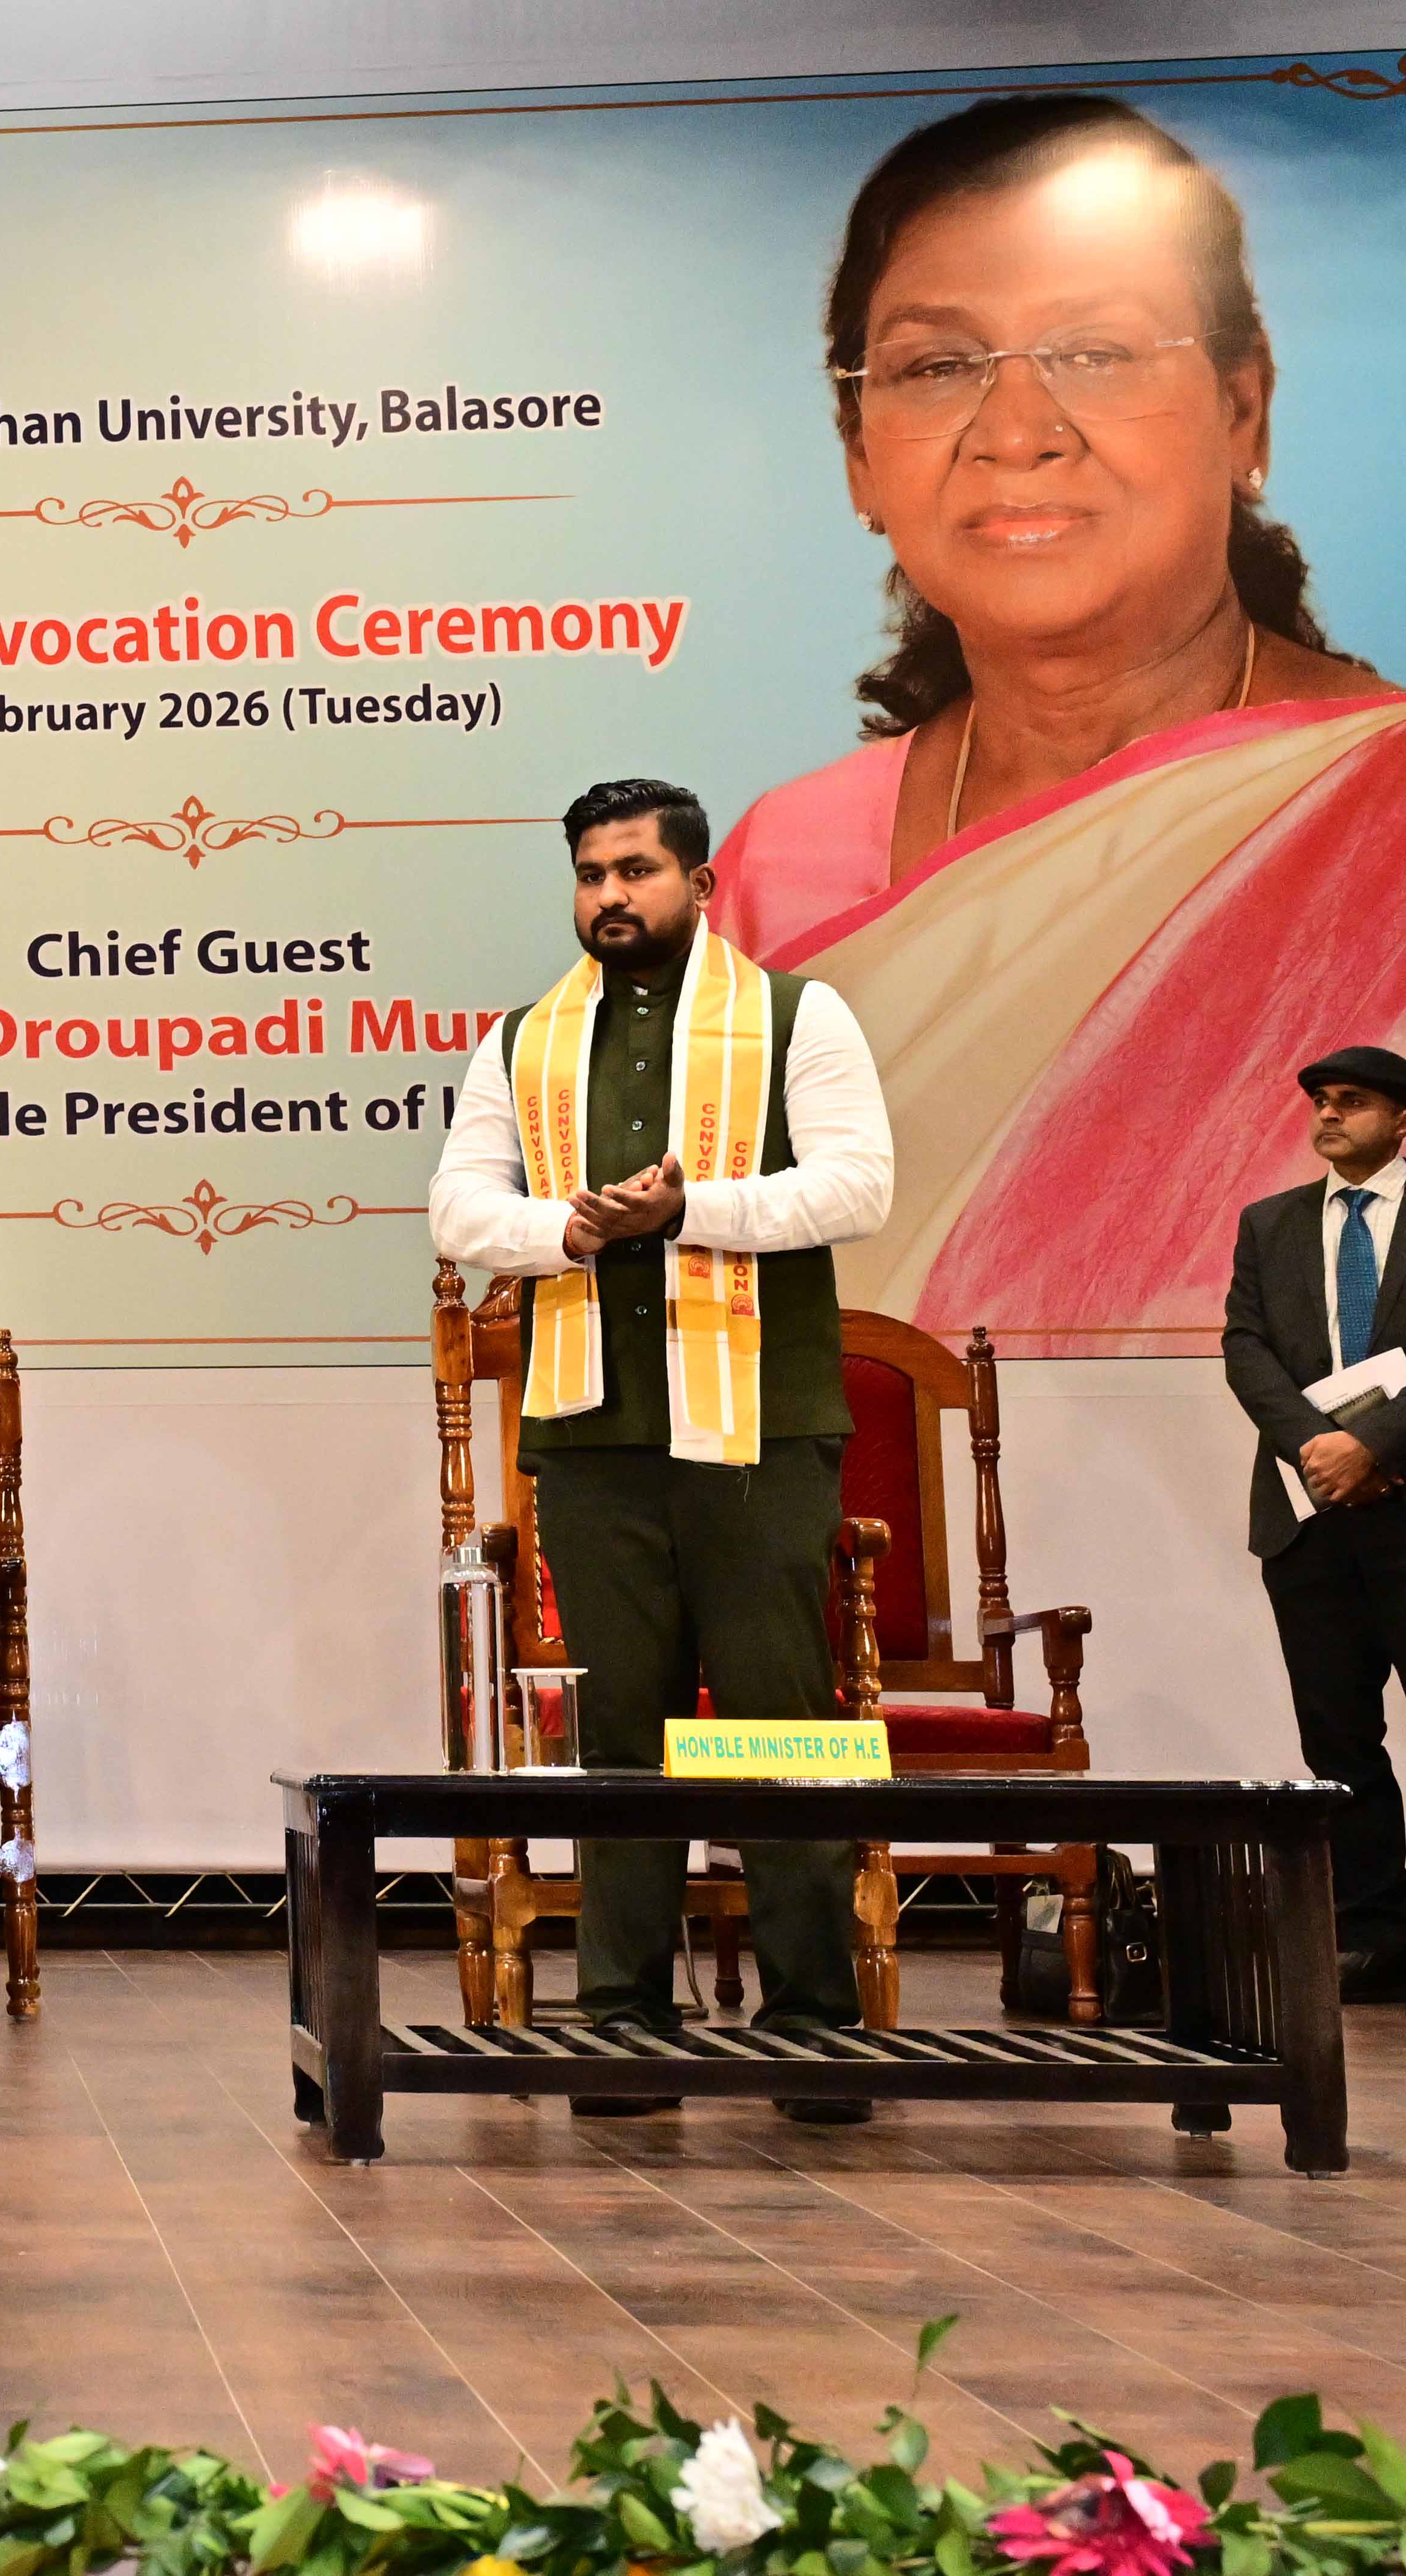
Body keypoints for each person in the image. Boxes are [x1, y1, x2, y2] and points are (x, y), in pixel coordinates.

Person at [714, 94, 1397, 1337]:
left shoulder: (1384, 801)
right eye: (936, 367)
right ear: (861, 455)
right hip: (892, 1522)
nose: (1018, 433)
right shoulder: (787, 864)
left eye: (1098, 352)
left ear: (1245, 408)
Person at [427, 779, 895, 2122]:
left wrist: (698, 1209)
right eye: (589, 873)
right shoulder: (525, 1039)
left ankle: (812, 2024)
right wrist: (565, 1232)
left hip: (757, 1428)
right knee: (615, 1730)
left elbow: (860, 1182)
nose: (609, 896)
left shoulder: (801, 1015)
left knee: (776, 1720)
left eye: (635, 869)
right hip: (591, 1433)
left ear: (700, 883)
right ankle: (622, 2021)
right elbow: (463, 1207)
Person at [1221, 1045, 1406, 2002]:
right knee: (1339, 1734)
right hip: (1308, 1515)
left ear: (1402, 1121)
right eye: (1323, 1103)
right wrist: (1318, 1450)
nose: (1330, 1116)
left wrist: (1374, 1446)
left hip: (1403, 1499)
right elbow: (1245, 1348)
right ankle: (1376, 1933)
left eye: (1354, 1101)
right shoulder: (1272, 1222)